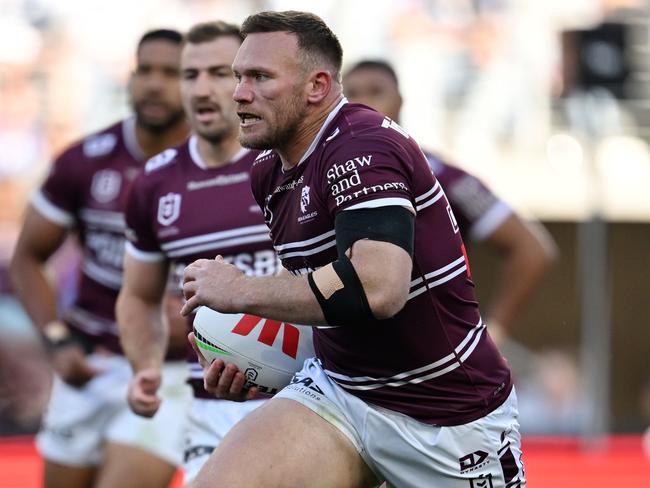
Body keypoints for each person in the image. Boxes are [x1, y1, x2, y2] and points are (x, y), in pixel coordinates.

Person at [182, 10, 526, 488]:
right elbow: (308, 285)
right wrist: (250, 360)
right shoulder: (268, 170)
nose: (238, 93)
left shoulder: (364, 147)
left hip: (446, 418)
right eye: (239, 77)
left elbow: (378, 290)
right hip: (340, 393)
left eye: (259, 77)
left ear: (317, 86)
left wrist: (238, 291)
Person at [10, 29, 192, 488]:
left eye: (171, 72)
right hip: (89, 364)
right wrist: (56, 341)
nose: (154, 84)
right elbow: (28, 257)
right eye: (144, 70)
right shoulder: (85, 161)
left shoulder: (226, 172)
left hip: (168, 370)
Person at [115, 21, 280, 484]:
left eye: (219, 73)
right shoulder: (155, 181)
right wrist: (145, 365)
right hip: (209, 402)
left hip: (307, 393)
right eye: (190, 75)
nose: (202, 89)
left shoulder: (288, 163)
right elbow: (139, 296)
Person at [342, 59, 557, 345]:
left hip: (427, 351)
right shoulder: (316, 175)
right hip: (344, 352)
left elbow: (532, 250)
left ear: (400, 102)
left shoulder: (438, 175)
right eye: (353, 94)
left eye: (376, 91)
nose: (365, 103)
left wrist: (493, 335)